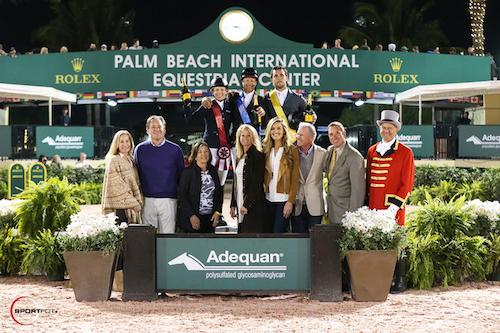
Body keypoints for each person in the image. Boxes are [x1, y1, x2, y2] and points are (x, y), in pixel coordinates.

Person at [366, 110, 415, 294]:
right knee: (376, 241)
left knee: (397, 241)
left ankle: (400, 281)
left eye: (390, 128)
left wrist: (393, 208)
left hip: (393, 207)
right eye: (383, 127)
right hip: (374, 205)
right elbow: (368, 179)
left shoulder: (405, 152)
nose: (386, 131)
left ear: (396, 130)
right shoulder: (372, 150)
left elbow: (407, 183)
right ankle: (379, 279)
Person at [135, 115, 185, 234]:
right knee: (148, 237)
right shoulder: (140, 149)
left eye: (159, 126)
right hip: (147, 200)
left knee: (168, 234)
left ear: (164, 129)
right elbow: (136, 174)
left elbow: (181, 175)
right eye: (153, 127)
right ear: (147, 130)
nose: (156, 129)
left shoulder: (175, 150)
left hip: (169, 200)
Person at [185, 77, 233, 185]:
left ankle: (219, 201)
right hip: (210, 146)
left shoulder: (230, 105)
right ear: (212, 92)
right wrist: (187, 105)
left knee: (221, 180)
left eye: (222, 89)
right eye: (216, 90)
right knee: (207, 179)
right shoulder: (208, 105)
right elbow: (191, 119)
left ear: (226, 91)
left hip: (224, 147)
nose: (219, 92)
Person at [230, 124, 270, 233]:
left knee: (251, 235)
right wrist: (233, 205)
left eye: (248, 135)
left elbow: (256, 183)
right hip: (239, 202)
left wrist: (246, 205)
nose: (245, 138)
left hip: (254, 205)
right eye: (242, 135)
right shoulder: (239, 156)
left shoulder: (258, 156)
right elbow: (236, 182)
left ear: (253, 137)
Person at [263, 117, 299, 233]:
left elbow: (295, 179)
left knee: (278, 234)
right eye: (272, 129)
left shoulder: (292, 150)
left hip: (283, 200)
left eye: (279, 128)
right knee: (268, 233)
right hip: (268, 199)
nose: (276, 131)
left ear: (284, 130)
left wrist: (290, 202)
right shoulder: (266, 151)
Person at [325, 121, 365, 225]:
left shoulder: (355, 157)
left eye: (337, 133)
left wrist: (353, 216)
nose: (334, 137)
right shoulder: (329, 151)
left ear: (344, 134)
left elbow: (358, 191)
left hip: (346, 212)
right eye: (331, 134)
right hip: (331, 209)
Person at [178, 141, 222, 233]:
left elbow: (219, 193)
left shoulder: (213, 170)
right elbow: (182, 196)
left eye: (206, 151)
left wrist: (217, 212)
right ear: (195, 155)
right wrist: (191, 215)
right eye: (200, 151)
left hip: (210, 219)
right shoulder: (188, 172)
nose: (204, 154)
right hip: (193, 219)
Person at [291, 122, 327, 233]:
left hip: (316, 206)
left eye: (301, 135)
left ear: (311, 137)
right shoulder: (291, 153)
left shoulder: (323, 154)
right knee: (298, 242)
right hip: (297, 206)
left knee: (315, 242)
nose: (298, 137)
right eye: (297, 134)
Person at [101, 130, 142, 224]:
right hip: (119, 208)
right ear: (117, 144)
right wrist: (134, 203)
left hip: (132, 208)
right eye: (121, 141)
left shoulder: (131, 161)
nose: (125, 144)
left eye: (127, 141)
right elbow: (116, 186)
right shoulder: (114, 160)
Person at [264, 66, 313, 139]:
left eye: (281, 75)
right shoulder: (267, 97)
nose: (279, 78)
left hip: (292, 140)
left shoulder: (297, 98)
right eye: (275, 76)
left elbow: (310, 114)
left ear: (287, 78)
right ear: (272, 79)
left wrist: (313, 116)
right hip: (273, 139)